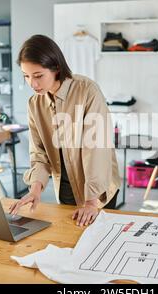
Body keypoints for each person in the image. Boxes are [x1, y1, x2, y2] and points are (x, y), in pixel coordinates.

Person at [9, 35, 121, 226]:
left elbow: (95, 150)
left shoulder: (87, 91)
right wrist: (35, 190)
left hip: (97, 190)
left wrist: (91, 201)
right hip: (65, 189)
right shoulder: (35, 104)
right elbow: (39, 153)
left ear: (56, 68)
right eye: (26, 76)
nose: (33, 84)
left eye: (38, 76)